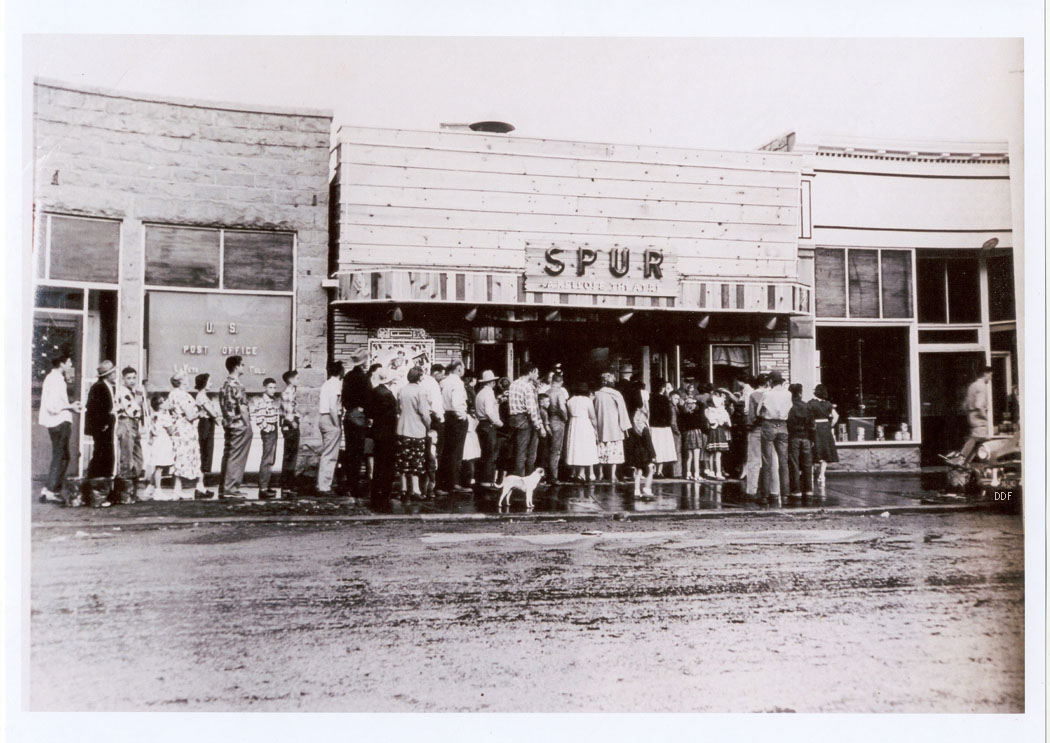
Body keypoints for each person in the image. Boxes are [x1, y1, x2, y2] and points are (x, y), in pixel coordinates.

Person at [38, 354, 82, 502]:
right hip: (59, 422)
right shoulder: (55, 380)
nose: (70, 364)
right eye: (69, 361)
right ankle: (51, 489)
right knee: (61, 457)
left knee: (61, 456)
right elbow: (53, 406)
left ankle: (50, 489)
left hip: (56, 422)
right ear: (62, 363)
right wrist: (70, 406)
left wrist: (69, 406)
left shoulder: (54, 379)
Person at [165, 372, 208, 500]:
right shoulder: (182, 395)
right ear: (181, 381)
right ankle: (178, 490)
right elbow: (190, 415)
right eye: (186, 379)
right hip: (185, 430)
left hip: (178, 428)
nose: (189, 381)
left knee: (179, 458)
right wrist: (200, 412)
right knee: (183, 457)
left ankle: (177, 489)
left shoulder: (172, 394)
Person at [219, 355, 253, 497]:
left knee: (228, 454)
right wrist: (248, 424)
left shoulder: (225, 384)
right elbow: (243, 406)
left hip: (229, 423)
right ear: (237, 366)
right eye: (242, 364)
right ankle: (231, 488)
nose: (243, 367)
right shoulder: (237, 385)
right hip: (239, 424)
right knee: (237, 456)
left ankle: (224, 486)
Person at [366, 367, 399, 512]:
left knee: (378, 465)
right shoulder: (387, 395)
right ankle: (384, 495)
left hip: (377, 432)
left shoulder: (374, 391)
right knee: (387, 467)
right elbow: (391, 417)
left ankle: (375, 495)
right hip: (387, 434)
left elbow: (369, 412)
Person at [340, 348, 372, 498]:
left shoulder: (348, 376)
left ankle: (349, 483)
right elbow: (368, 398)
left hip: (349, 416)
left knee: (350, 451)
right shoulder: (364, 377)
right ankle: (355, 486)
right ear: (365, 361)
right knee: (358, 453)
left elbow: (344, 398)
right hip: (360, 416)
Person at [396, 366, 431, 499]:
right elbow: (424, 413)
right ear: (419, 377)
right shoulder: (421, 391)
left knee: (403, 460)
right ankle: (415, 490)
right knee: (416, 461)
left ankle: (403, 488)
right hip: (416, 429)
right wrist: (429, 426)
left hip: (402, 428)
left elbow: (398, 409)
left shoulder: (402, 390)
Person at [436, 359, 471, 495]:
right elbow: (457, 402)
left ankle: (445, 483)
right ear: (458, 369)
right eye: (462, 368)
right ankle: (454, 483)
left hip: (447, 416)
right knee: (456, 452)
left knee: (447, 451)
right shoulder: (457, 382)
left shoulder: (443, 382)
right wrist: (462, 416)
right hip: (456, 418)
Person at [758, 370, 792, 501]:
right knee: (784, 461)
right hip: (783, 425)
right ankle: (785, 494)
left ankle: (765, 495)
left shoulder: (767, 394)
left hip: (768, 424)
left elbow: (758, 412)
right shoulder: (788, 394)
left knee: (767, 460)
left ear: (770, 381)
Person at [115, 367, 148, 496]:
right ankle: (125, 490)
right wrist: (139, 397)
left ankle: (133, 484)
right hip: (126, 422)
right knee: (127, 456)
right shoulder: (123, 392)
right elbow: (132, 410)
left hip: (134, 423)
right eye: (129, 378)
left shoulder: (133, 391)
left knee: (138, 455)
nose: (132, 381)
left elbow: (143, 410)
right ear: (123, 379)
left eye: (134, 377)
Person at [508, 365, 546, 476]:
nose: (538, 375)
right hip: (526, 420)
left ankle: (519, 476)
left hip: (514, 420)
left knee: (519, 450)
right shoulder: (527, 387)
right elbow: (532, 409)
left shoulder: (513, 384)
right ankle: (527, 477)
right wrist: (539, 426)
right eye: (537, 372)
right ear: (531, 372)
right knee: (530, 451)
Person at [84, 360, 119, 483]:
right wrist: (103, 424)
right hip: (102, 426)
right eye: (113, 373)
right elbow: (95, 408)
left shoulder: (106, 386)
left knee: (105, 451)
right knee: (101, 452)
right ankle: (96, 482)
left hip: (106, 425)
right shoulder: (99, 387)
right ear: (108, 375)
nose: (115, 375)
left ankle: (103, 481)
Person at [594, 372, 631, 482]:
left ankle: (600, 473)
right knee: (614, 450)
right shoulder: (616, 394)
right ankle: (612, 474)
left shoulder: (596, 394)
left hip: (600, 425)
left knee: (600, 449)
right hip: (614, 426)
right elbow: (622, 411)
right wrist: (625, 427)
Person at [317, 360, 344, 496]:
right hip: (330, 418)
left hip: (323, 418)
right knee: (330, 454)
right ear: (339, 371)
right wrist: (337, 424)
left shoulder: (326, 384)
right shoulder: (335, 385)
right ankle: (324, 486)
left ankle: (324, 483)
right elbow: (333, 406)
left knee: (327, 452)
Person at [419, 363, 446, 496]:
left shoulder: (420, 383)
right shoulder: (432, 383)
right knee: (434, 454)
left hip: (420, 421)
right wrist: (440, 418)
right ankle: (433, 487)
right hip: (433, 420)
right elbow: (435, 405)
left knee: (424, 453)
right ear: (436, 373)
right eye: (442, 374)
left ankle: (422, 487)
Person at [743, 374, 771, 498]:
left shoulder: (753, 395)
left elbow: (751, 416)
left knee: (754, 460)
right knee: (770, 460)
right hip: (770, 428)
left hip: (756, 429)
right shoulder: (771, 394)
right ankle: (771, 489)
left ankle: (752, 490)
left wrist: (749, 426)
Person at [564, 382, 599, 481]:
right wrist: (595, 428)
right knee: (585, 447)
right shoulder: (587, 401)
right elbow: (592, 416)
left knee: (575, 447)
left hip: (573, 423)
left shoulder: (570, 400)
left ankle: (575, 472)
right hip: (584, 423)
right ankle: (583, 473)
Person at [253, 377, 281, 500]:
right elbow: (259, 420)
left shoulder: (272, 400)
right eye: (270, 387)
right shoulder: (261, 401)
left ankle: (267, 485)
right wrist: (268, 429)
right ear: (264, 388)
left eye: (274, 387)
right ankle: (263, 488)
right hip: (268, 431)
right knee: (267, 459)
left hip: (273, 429)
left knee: (271, 459)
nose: (273, 390)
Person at [624, 393, 657, 497]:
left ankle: (636, 490)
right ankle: (647, 488)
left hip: (636, 453)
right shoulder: (645, 429)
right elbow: (649, 443)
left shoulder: (634, 428)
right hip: (646, 453)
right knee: (650, 470)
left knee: (638, 471)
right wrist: (653, 455)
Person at [474, 370, 502, 487]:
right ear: (492, 382)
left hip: (481, 424)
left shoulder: (480, 393)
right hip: (489, 424)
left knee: (484, 453)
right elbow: (489, 411)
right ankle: (487, 480)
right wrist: (498, 422)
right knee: (491, 453)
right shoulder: (489, 393)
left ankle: (481, 479)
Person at [787, 383, 815, 498]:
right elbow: (812, 424)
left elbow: (788, 423)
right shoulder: (807, 406)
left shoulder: (789, 406)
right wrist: (812, 438)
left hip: (793, 437)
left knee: (794, 464)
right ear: (800, 393)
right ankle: (808, 489)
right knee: (807, 464)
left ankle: (796, 490)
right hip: (806, 437)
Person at [807, 383, 839, 486]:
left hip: (815, 427)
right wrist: (830, 425)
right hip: (825, 428)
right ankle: (822, 475)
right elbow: (836, 416)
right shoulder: (828, 404)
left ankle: (810, 476)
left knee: (813, 451)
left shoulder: (811, 403)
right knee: (825, 452)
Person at [144, 393, 174, 500]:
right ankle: (158, 491)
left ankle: (150, 488)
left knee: (158, 467)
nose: (167, 403)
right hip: (162, 442)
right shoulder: (164, 416)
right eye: (164, 402)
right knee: (159, 468)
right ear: (160, 405)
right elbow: (170, 430)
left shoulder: (154, 415)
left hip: (157, 442)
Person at [961, 366, 993, 456]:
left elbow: (965, 405)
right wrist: (985, 418)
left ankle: (965, 460)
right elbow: (979, 405)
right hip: (978, 416)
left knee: (977, 440)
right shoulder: (981, 386)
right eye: (990, 375)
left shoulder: (972, 386)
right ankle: (962, 458)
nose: (991, 378)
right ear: (985, 374)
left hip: (972, 415)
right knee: (979, 439)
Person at [648, 379, 678, 477]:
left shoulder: (650, 398)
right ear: (662, 388)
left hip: (653, 426)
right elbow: (668, 415)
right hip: (664, 427)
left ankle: (652, 470)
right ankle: (659, 471)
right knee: (662, 448)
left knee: (654, 448)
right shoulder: (665, 399)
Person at [194, 373, 220, 480]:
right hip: (205, 424)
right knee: (205, 451)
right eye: (209, 381)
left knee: (207, 451)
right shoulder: (201, 396)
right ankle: (200, 483)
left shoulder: (204, 396)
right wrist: (218, 417)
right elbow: (212, 412)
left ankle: (202, 483)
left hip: (208, 424)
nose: (211, 383)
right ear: (204, 383)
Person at [279, 370, 301, 498]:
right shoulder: (287, 393)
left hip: (292, 424)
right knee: (290, 456)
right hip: (290, 425)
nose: (298, 380)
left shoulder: (292, 392)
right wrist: (294, 423)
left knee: (291, 455)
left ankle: (288, 484)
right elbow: (288, 413)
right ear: (291, 380)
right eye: (297, 378)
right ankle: (287, 485)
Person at [546, 372, 569, 483]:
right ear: (561, 381)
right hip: (557, 421)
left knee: (548, 448)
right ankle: (553, 477)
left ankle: (547, 474)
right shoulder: (559, 393)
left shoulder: (547, 392)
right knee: (556, 450)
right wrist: (565, 418)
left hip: (548, 420)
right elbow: (562, 408)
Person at [704, 390, 732, 480]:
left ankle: (712, 471)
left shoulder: (708, 411)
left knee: (712, 453)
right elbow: (728, 423)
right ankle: (718, 472)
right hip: (719, 430)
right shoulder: (720, 411)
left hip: (713, 431)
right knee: (717, 453)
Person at [679, 396, 705, 481]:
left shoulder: (685, 414)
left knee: (689, 457)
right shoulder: (697, 413)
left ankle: (688, 473)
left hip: (688, 434)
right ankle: (696, 474)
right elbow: (701, 405)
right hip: (696, 433)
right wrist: (695, 400)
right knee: (696, 457)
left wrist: (686, 401)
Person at [494, 376, 514, 484]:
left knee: (503, 454)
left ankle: (501, 477)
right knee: (504, 454)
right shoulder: (500, 399)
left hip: (502, 428)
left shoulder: (499, 398)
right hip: (504, 428)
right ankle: (501, 478)